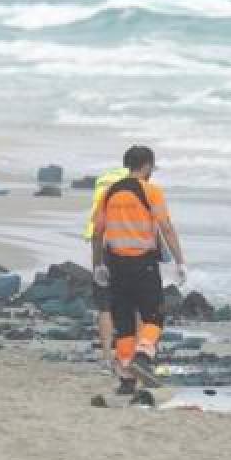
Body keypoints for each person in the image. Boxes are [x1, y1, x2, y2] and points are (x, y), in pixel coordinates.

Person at [90, 146, 186, 393]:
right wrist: (179, 262)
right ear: (147, 166)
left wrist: (98, 265)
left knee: (124, 324)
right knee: (154, 316)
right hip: (143, 265)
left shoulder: (109, 193)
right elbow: (166, 227)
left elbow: (98, 233)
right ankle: (142, 358)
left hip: (115, 265)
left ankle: (126, 380)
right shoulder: (150, 191)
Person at [84, 167, 129, 370]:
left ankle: (106, 356)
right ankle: (131, 355)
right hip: (129, 249)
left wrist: (96, 265)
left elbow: (95, 231)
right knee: (133, 305)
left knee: (105, 307)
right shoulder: (136, 187)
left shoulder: (103, 183)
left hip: (103, 248)